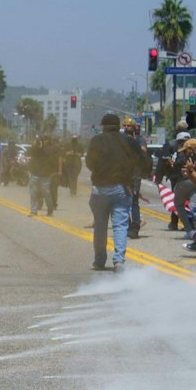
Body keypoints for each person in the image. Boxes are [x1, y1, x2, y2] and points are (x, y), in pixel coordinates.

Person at [85, 113, 137, 272]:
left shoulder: (96, 141)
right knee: (120, 226)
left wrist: (100, 172)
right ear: (119, 126)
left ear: (103, 126)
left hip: (100, 188)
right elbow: (137, 162)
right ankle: (119, 260)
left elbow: (89, 162)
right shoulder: (127, 141)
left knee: (100, 226)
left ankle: (99, 260)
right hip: (121, 188)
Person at [26, 136, 59, 216]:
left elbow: (53, 160)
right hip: (34, 174)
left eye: (41, 142)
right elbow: (28, 153)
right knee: (33, 193)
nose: (39, 143)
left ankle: (50, 210)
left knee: (46, 193)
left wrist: (52, 171)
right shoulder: (34, 150)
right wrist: (34, 146)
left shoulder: (48, 150)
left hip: (45, 176)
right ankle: (34, 211)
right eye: (38, 142)